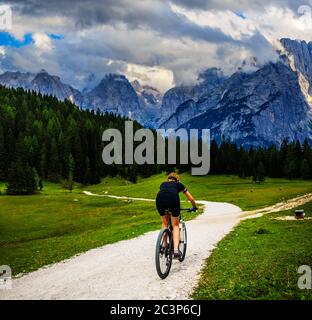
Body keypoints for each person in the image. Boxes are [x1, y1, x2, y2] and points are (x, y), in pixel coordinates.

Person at [156, 172, 197, 259]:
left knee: (165, 223)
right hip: (173, 199)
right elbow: (191, 198)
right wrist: (194, 207)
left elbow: (164, 193)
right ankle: (175, 251)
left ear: (168, 179)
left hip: (159, 199)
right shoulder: (179, 184)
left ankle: (164, 246)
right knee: (175, 225)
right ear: (177, 180)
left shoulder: (162, 184)